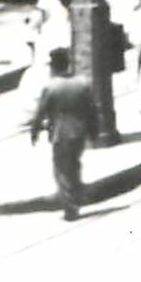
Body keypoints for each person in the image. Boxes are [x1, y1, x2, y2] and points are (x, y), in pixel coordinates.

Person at [30, 47, 98, 221]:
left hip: (60, 134)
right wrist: (93, 131)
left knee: (61, 171)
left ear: (53, 66)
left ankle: (70, 207)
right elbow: (92, 111)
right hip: (79, 133)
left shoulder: (51, 87)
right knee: (74, 166)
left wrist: (35, 132)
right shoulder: (82, 83)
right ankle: (76, 198)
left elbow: (40, 112)